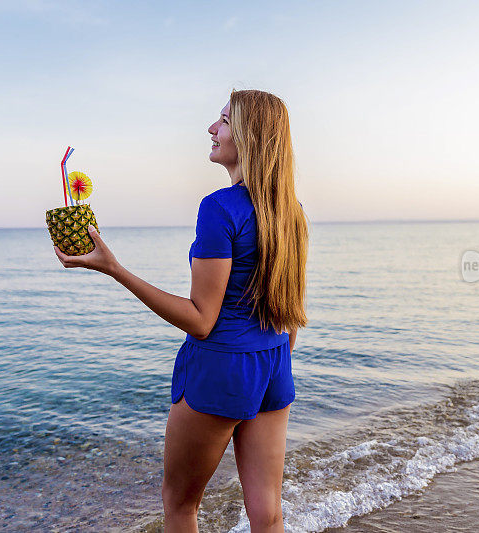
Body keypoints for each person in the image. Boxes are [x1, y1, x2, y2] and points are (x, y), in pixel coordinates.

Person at [53, 88, 309, 532]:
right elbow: (291, 313)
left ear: (251, 136)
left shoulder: (219, 208)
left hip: (221, 369)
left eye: (225, 121)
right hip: (274, 364)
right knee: (267, 515)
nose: (212, 128)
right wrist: (268, 360)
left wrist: (114, 268)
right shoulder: (292, 212)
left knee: (180, 506)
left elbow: (200, 319)